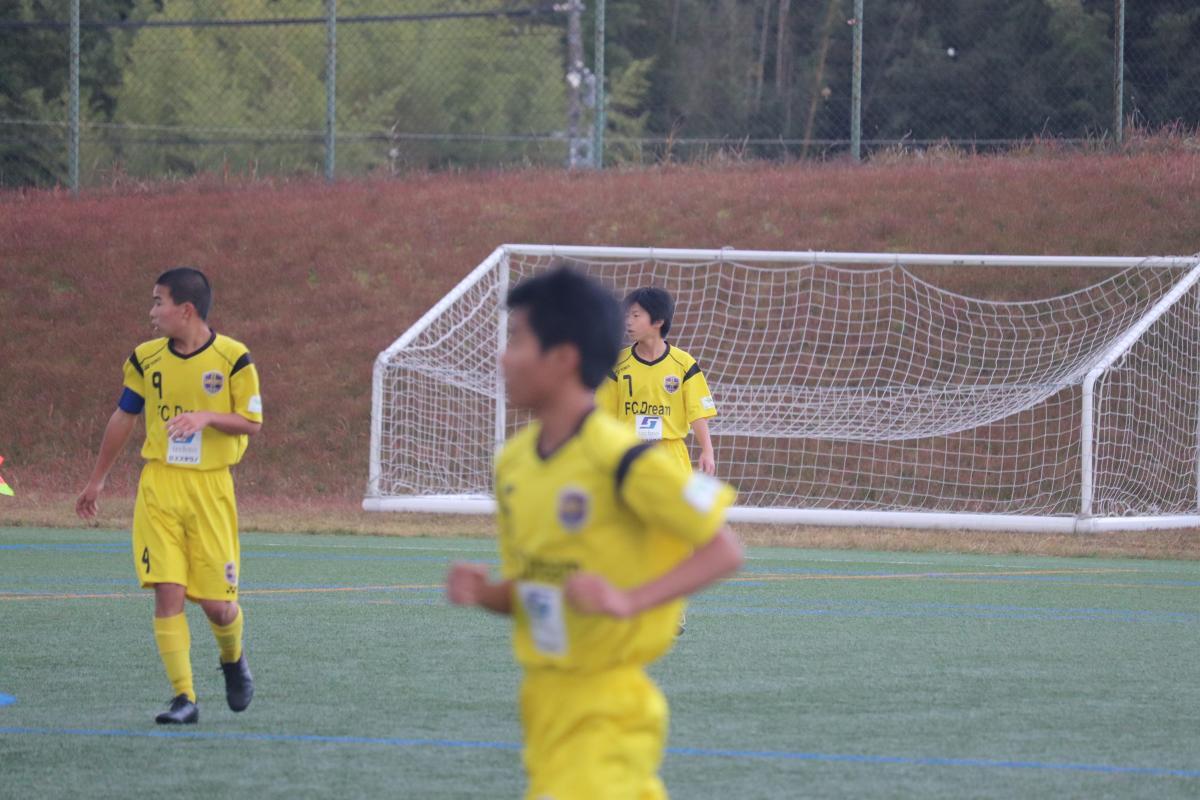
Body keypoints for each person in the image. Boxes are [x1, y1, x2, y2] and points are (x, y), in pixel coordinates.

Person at [446, 267, 743, 799]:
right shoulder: (514, 463)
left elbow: (723, 548)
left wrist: (629, 601)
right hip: (542, 702)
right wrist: (487, 594)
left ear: (564, 357)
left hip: (605, 705)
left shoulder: (624, 459)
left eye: (519, 341)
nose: (503, 358)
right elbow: (539, 586)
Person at [76, 267, 261, 725]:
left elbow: (252, 422)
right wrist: (97, 479)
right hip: (159, 486)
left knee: (218, 607)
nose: (152, 312)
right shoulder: (145, 358)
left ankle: (233, 660)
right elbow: (124, 416)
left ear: (186, 309)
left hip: (210, 488)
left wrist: (206, 417)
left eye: (158, 302)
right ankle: (184, 697)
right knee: (167, 592)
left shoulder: (234, 357)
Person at [595, 287, 719, 477]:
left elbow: (697, 412)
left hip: (671, 455)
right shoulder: (617, 363)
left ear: (659, 321)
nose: (628, 321)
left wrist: (707, 451)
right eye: (627, 315)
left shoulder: (683, 363)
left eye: (636, 315)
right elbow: (604, 414)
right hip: (628, 453)